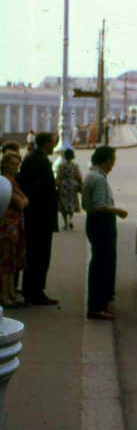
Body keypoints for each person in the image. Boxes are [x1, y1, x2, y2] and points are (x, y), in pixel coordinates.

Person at [82, 145, 127, 320]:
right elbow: (99, 205)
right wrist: (118, 211)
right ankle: (97, 307)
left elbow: (87, 205)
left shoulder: (91, 175)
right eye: (112, 160)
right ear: (107, 160)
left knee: (100, 262)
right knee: (102, 264)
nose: (113, 164)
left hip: (93, 221)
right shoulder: (99, 179)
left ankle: (100, 303)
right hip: (101, 222)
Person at [17, 132, 59, 305]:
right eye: (52, 142)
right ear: (45, 143)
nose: (54, 145)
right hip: (39, 218)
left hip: (37, 217)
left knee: (36, 255)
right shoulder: (38, 160)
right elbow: (37, 190)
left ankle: (32, 290)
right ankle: (34, 292)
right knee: (39, 256)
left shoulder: (34, 158)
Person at [0, 151, 28, 308]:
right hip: (7, 225)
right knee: (6, 261)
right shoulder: (6, 182)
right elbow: (21, 202)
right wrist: (22, 200)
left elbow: (24, 199)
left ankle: (10, 293)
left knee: (12, 262)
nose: (15, 167)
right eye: (12, 163)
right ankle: (5, 295)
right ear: (4, 164)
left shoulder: (13, 181)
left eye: (17, 164)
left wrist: (23, 200)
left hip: (14, 224)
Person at [56, 148, 82, 231]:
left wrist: (57, 185)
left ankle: (65, 223)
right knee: (72, 202)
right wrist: (80, 185)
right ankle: (71, 219)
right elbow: (78, 176)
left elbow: (58, 177)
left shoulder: (61, 165)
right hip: (72, 185)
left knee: (63, 204)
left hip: (63, 185)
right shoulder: (75, 165)